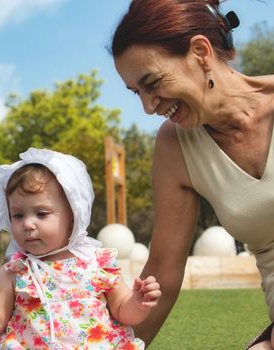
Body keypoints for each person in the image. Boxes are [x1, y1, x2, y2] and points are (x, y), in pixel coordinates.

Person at [111, 0, 274, 348]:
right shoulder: (175, 146)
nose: (148, 106)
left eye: (152, 83)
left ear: (201, 52)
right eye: (137, 92)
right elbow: (163, 276)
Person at [0, 148, 161, 349]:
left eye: (41, 214)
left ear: (74, 216)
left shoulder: (97, 263)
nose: (28, 224)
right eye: (18, 215)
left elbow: (123, 310)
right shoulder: (15, 270)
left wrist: (137, 304)